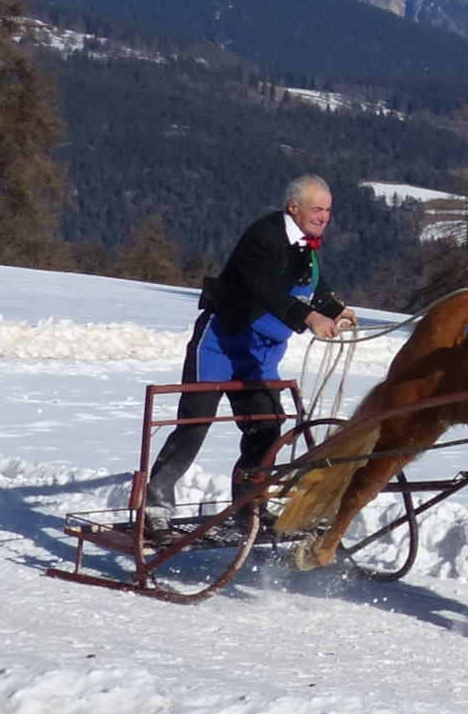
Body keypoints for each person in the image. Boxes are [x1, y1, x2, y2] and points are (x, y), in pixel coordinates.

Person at [144, 174, 358, 534]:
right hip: (220, 345)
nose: (324, 217)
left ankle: (248, 504)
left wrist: (335, 309)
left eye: (328, 210)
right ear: (293, 207)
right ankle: (156, 504)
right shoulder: (262, 237)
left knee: (266, 427)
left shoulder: (306, 243)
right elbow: (266, 289)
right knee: (194, 426)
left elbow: (311, 283)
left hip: (259, 354)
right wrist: (309, 317)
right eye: (317, 209)